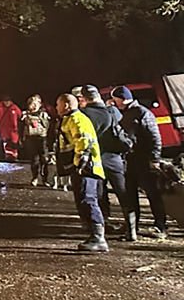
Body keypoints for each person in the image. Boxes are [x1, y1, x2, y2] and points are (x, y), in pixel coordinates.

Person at [110, 85, 168, 240]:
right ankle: (132, 225)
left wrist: (154, 159)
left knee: (152, 193)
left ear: (121, 99)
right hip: (130, 160)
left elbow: (155, 137)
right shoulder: (125, 113)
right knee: (130, 194)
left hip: (144, 160)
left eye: (115, 100)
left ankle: (160, 226)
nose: (114, 103)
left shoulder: (142, 113)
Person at [77, 84, 135, 237]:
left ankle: (102, 225)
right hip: (114, 158)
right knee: (123, 193)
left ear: (84, 98)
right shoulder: (112, 111)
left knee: (98, 194)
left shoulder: (83, 114)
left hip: (95, 160)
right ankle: (131, 229)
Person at [57, 92, 108, 252]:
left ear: (66, 105)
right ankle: (94, 235)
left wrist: (79, 163)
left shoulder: (76, 119)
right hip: (83, 167)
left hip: (87, 168)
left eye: (58, 104)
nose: (56, 107)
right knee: (84, 200)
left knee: (88, 199)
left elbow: (83, 141)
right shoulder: (71, 119)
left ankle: (98, 238)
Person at [19, 94, 51, 186]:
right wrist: (21, 138)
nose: (33, 106)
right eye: (31, 104)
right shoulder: (25, 115)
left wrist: (40, 119)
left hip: (42, 138)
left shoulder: (43, 114)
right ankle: (35, 178)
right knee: (34, 160)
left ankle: (45, 179)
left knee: (44, 159)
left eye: (35, 104)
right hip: (31, 138)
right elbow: (20, 127)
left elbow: (48, 126)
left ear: (39, 104)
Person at [0, 95, 22, 160]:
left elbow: (20, 117)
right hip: (4, 130)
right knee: (6, 144)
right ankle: (8, 156)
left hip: (14, 131)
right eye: (5, 101)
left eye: (8, 101)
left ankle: (14, 156)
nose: (7, 103)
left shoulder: (15, 108)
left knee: (13, 144)